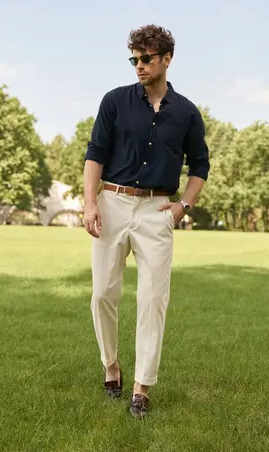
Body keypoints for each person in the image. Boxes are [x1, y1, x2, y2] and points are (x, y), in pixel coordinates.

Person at [83, 24, 210, 418]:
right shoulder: (115, 101)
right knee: (103, 292)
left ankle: (142, 387)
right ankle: (111, 367)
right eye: (133, 59)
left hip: (157, 210)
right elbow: (95, 154)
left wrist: (182, 206)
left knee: (153, 298)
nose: (138, 65)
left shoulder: (187, 112)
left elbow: (200, 165)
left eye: (146, 58)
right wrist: (90, 203)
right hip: (113, 201)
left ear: (166, 59)